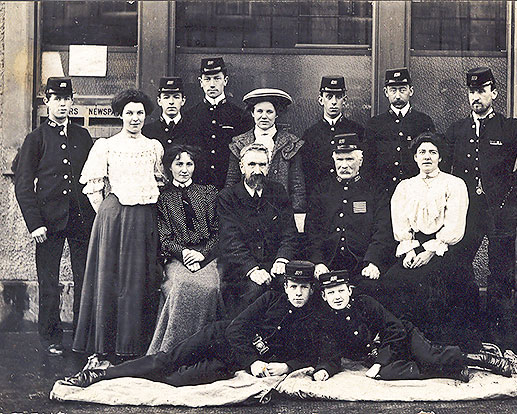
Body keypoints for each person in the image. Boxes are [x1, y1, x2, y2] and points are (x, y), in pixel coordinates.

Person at [61, 261, 319, 388]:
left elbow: (313, 353)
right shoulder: (271, 298)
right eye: (293, 287)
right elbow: (235, 328)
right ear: (285, 286)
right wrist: (254, 361)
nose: (297, 293)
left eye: (303, 288)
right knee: (165, 361)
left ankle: (124, 377)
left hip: (231, 362)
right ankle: (101, 374)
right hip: (218, 337)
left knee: (178, 380)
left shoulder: (313, 315)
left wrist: (287, 365)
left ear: (311, 289)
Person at [72, 89, 165, 358]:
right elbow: (93, 187)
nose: (135, 118)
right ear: (120, 115)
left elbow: (158, 182)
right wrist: (108, 216)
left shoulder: (153, 147)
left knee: (139, 278)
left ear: (146, 116)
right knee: (112, 280)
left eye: (139, 113)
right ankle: (108, 345)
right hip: (114, 218)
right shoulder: (106, 146)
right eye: (129, 113)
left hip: (144, 217)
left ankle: (134, 345)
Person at [443, 67, 517, 343]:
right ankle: (467, 326)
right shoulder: (456, 130)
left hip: (501, 209)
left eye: (481, 91)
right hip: (467, 211)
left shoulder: (510, 128)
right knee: (458, 263)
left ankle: (498, 333)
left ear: (494, 93)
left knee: (501, 269)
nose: (476, 97)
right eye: (472, 92)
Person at [312, 271, 517, 382]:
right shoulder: (327, 320)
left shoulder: (365, 303)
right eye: (331, 293)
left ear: (349, 290)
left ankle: (484, 360)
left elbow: (394, 329)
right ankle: (453, 371)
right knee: (387, 374)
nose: (336, 297)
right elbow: (330, 353)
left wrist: (379, 361)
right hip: (379, 354)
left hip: (402, 336)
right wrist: (324, 370)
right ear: (323, 296)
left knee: (431, 355)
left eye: (340, 291)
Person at [374, 133, 479, 350]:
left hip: (445, 248)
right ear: (415, 157)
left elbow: (455, 225)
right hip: (414, 246)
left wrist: (430, 251)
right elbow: (400, 222)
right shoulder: (405, 186)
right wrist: (409, 250)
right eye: (422, 152)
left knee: (439, 281)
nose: (427, 157)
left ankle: (439, 346)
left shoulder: (454, 184)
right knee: (394, 278)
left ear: (440, 157)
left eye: (433, 152)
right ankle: (404, 343)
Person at [14, 77, 95, 356]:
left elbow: (93, 176)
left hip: (81, 220)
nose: (61, 104)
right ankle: (50, 337)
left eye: (66, 99)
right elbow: (23, 185)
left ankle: (84, 337)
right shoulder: (35, 139)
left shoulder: (82, 136)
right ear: (46, 101)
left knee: (85, 279)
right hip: (47, 223)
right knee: (49, 282)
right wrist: (34, 223)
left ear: (72, 102)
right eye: (56, 99)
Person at [147, 144, 223, 354]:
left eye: (189, 164)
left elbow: (218, 232)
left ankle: (203, 351)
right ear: (169, 167)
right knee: (179, 287)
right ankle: (171, 351)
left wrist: (203, 253)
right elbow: (164, 237)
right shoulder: (163, 197)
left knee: (210, 289)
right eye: (178, 164)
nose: (184, 169)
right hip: (177, 257)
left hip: (207, 255)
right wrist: (184, 253)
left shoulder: (208, 193)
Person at [217, 143, 298, 318]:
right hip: (242, 269)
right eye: (252, 164)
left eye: (262, 165)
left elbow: (289, 232)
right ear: (241, 167)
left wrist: (282, 259)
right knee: (252, 297)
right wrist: (252, 270)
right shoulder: (228, 197)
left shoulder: (278, 191)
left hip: (275, 265)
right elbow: (231, 240)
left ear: (268, 167)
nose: (257, 170)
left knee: (292, 295)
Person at [306, 133, 394, 282]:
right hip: (328, 263)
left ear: (360, 161)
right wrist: (318, 262)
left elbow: (383, 230)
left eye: (349, 159)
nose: (344, 165)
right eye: (339, 160)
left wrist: (373, 262)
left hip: (363, 265)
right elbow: (313, 231)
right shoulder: (321, 190)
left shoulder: (375, 190)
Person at [225, 88, 306, 214]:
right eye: (259, 111)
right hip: (246, 214)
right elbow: (231, 182)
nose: (264, 116)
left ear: (276, 114)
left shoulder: (291, 143)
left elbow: (297, 186)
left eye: (269, 112)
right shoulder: (239, 143)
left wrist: (296, 214)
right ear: (252, 113)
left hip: (280, 213)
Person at [183, 57, 252, 188]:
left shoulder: (240, 116)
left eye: (217, 78)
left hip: (229, 186)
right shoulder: (189, 116)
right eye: (207, 79)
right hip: (198, 185)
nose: (212, 84)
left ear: (225, 81)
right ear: (200, 82)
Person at [365, 67, 435, 194]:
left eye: (402, 90)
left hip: (416, 191)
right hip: (383, 193)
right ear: (386, 92)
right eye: (393, 90)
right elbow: (368, 163)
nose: (397, 95)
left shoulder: (424, 121)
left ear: (411, 91)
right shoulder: (374, 124)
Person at [300, 76, 365, 195]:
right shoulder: (310, 134)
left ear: (344, 100)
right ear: (321, 100)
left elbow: (364, 168)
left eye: (338, 97)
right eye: (329, 97)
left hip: (351, 194)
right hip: (320, 197)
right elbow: (306, 172)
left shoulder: (357, 131)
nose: (334, 102)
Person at [142, 77, 188, 149]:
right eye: (166, 97)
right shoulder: (147, 131)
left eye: (176, 97)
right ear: (159, 101)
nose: (171, 102)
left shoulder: (193, 129)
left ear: (183, 101)